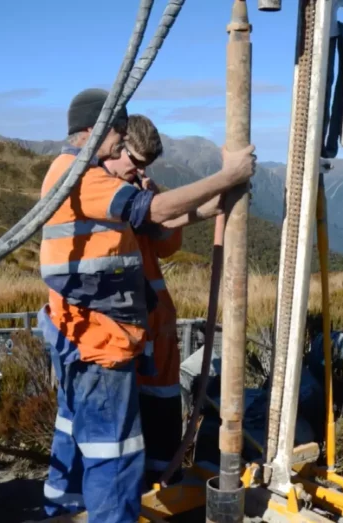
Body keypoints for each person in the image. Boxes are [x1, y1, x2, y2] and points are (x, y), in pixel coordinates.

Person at [37, 88, 256, 522]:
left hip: (90, 335)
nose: (120, 146)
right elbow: (154, 212)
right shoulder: (85, 176)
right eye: (117, 138)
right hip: (101, 339)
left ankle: (67, 510)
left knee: (87, 438)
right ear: (93, 131)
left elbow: (161, 222)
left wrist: (214, 202)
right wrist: (226, 177)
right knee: (115, 455)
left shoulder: (79, 173)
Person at [100, 114, 227, 488]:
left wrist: (152, 199)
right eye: (134, 162)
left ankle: (163, 481)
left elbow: (168, 247)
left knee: (162, 406)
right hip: (118, 328)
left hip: (156, 322)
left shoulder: (139, 193)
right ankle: (132, 489)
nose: (137, 171)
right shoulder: (99, 192)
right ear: (117, 147)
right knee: (125, 414)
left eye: (145, 166)